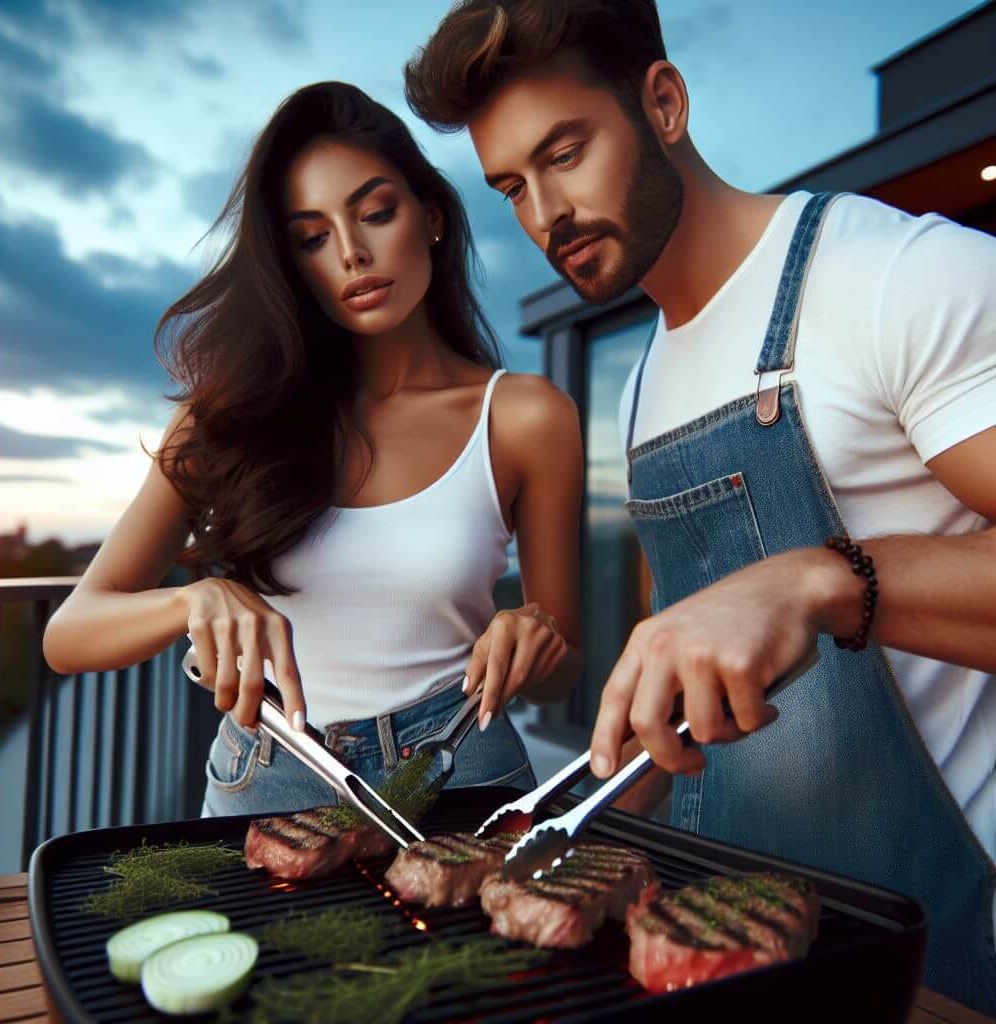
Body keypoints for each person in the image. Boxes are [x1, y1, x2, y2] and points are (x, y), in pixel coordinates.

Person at [404, 1, 996, 1012]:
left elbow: (784, 596)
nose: (545, 214)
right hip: (721, 936)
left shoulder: (896, 275)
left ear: (664, 103)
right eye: (511, 186)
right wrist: (568, 822)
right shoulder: (642, 381)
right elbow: (689, 677)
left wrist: (820, 577)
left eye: (565, 152)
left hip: (931, 958)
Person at [43, 81, 583, 820]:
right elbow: (70, 634)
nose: (354, 254)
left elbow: (561, 679)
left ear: (428, 216)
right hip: (267, 776)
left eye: (375, 213)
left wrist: (537, 631)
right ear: (291, 263)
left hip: (461, 768)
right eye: (312, 238)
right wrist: (195, 598)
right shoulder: (230, 418)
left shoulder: (524, 417)